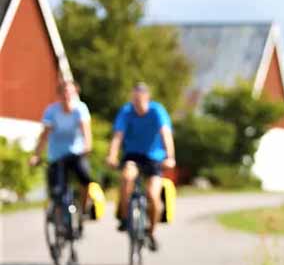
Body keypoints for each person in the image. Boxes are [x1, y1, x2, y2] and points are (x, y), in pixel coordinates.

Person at [106, 83, 175, 252]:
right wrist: (112, 155)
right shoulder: (126, 112)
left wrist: (170, 157)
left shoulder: (157, 111)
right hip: (133, 155)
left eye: (140, 99)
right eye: (134, 100)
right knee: (127, 177)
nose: (137, 103)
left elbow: (166, 134)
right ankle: (124, 216)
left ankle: (151, 232)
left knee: (153, 195)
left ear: (147, 98)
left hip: (154, 157)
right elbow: (118, 136)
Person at [30, 81, 94, 215]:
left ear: (76, 94)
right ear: (59, 95)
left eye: (71, 92)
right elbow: (44, 136)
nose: (67, 95)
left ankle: (84, 206)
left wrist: (87, 147)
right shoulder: (52, 111)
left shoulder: (80, 109)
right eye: (64, 92)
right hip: (56, 155)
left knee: (85, 177)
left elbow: (86, 132)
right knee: (57, 189)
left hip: (77, 153)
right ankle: (59, 218)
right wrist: (36, 155)